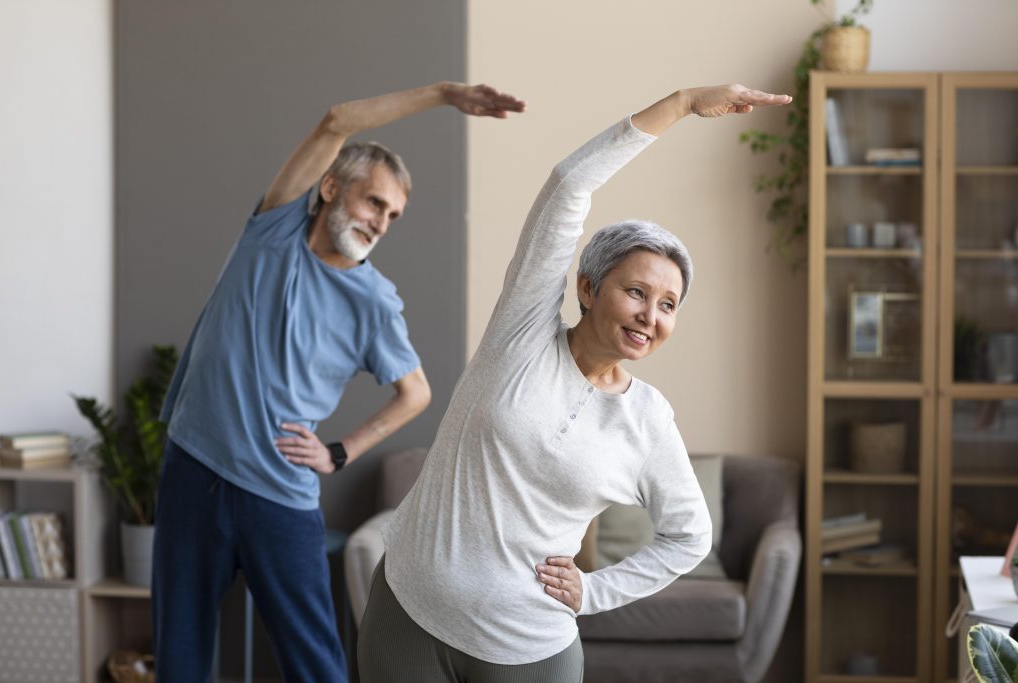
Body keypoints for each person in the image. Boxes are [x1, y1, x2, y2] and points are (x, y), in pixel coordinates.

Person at [358, 83, 791, 682]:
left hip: (527, 650)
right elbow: (570, 183)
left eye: (668, 305)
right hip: (404, 615)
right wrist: (684, 104)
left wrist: (595, 591)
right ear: (588, 288)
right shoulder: (522, 334)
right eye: (636, 291)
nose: (650, 315)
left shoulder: (647, 419)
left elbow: (689, 537)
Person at [151, 81, 526, 683]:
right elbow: (335, 122)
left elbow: (417, 393)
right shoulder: (272, 230)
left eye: (392, 215)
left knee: (316, 668)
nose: (382, 222)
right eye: (375, 202)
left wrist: (338, 451)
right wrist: (446, 95)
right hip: (193, 471)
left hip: (278, 495)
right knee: (180, 659)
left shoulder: (376, 303)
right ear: (330, 188)